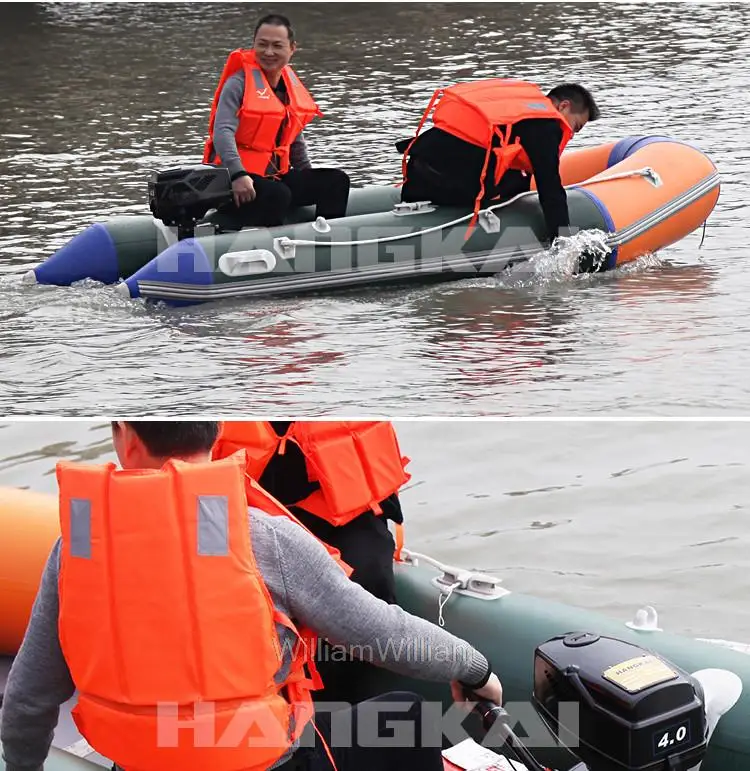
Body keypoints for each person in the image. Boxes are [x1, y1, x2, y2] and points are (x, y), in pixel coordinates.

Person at [1, 421, 503, 771]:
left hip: (140, 763)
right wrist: (474, 669)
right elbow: (382, 633)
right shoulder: (261, 536)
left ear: (124, 438)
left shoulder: (77, 547)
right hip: (259, 761)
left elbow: (27, 697)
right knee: (407, 716)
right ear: (218, 434)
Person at [211, 421, 410, 706]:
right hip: (242, 510)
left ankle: (350, 706)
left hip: (344, 508)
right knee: (237, 597)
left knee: (369, 577)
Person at [397, 81, 600, 245]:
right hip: (442, 181)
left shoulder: (521, 110)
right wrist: (563, 240)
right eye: (576, 126)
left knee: (516, 179)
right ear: (563, 106)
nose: (571, 135)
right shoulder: (546, 126)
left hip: (418, 172)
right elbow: (550, 188)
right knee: (518, 187)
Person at [203, 14, 351, 230]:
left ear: (292, 48)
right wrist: (237, 174)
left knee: (336, 181)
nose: (269, 52)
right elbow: (222, 131)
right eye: (262, 45)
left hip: (273, 176)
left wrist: (306, 175)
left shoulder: (288, 86)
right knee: (278, 194)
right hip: (233, 181)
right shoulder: (238, 85)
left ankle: (327, 246)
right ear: (253, 45)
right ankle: (264, 250)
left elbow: (294, 137)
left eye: (277, 46)